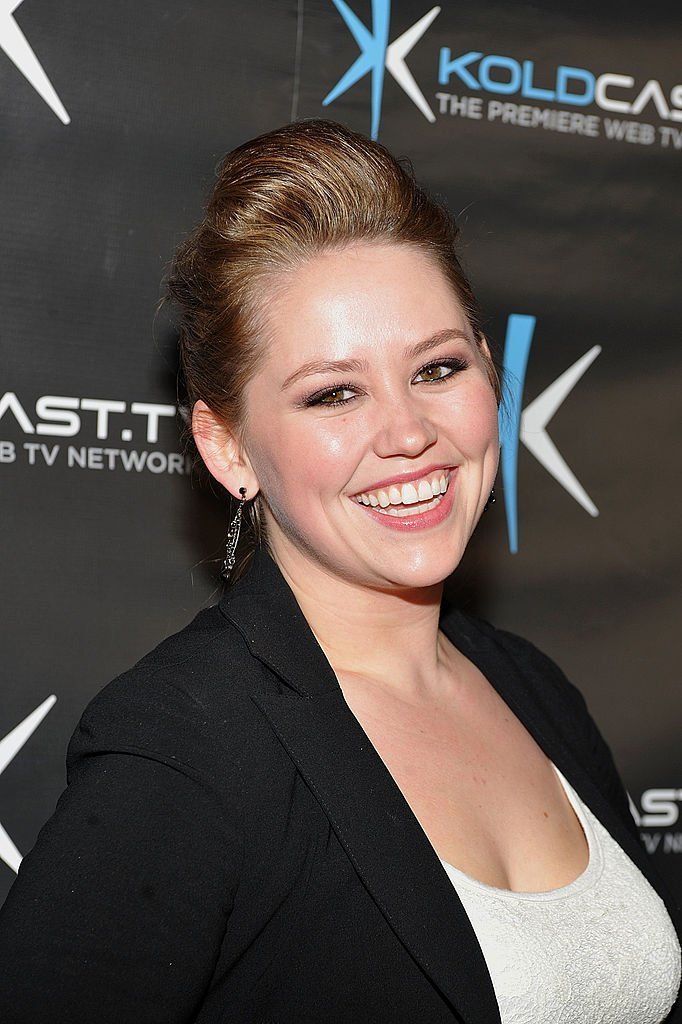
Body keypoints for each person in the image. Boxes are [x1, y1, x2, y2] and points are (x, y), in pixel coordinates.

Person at [0, 120, 679, 1024]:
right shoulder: (187, 740)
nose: (408, 433)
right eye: (334, 392)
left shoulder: (533, 688)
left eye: (438, 367)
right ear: (227, 445)